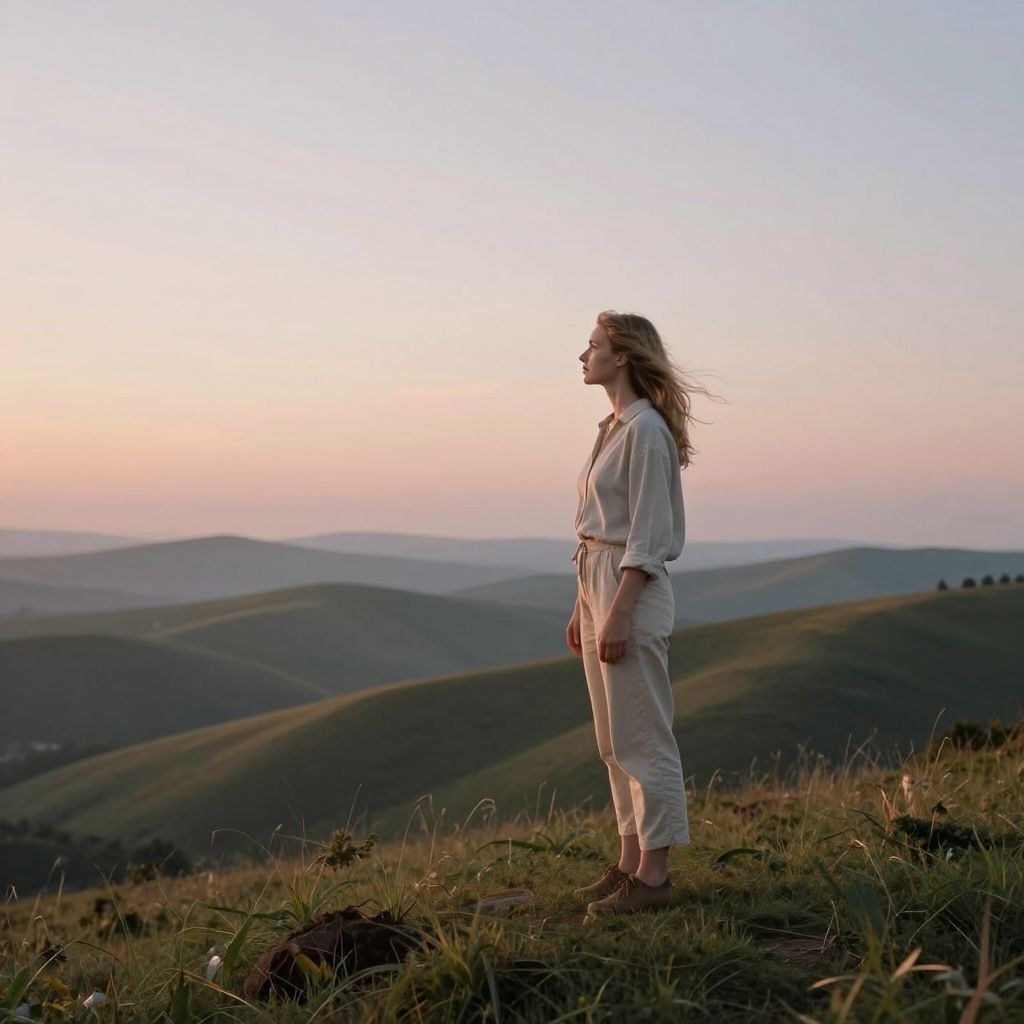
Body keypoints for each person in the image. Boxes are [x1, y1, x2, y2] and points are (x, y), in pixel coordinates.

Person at [566, 309, 714, 917]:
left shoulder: (646, 431)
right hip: (599, 582)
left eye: (593, 345)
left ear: (622, 355)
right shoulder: (613, 427)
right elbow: (599, 527)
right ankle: (629, 862)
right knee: (612, 737)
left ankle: (655, 877)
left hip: (631, 589)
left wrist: (618, 611)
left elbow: (648, 535)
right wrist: (583, 605)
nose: (584, 355)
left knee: (643, 734)